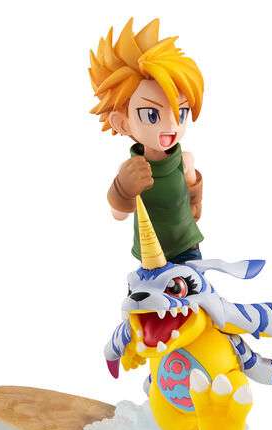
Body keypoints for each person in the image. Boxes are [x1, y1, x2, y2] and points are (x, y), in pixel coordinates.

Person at [89, 18, 205, 264]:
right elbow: (118, 215)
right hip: (151, 254)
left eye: (181, 113)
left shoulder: (185, 160)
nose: (171, 126)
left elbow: (194, 202)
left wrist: (195, 204)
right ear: (122, 123)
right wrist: (122, 188)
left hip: (187, 246)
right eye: (151, 115)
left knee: (194, 288)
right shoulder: (129, 170)